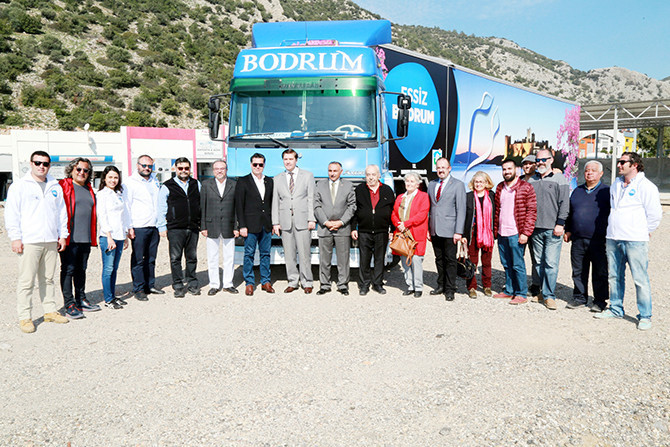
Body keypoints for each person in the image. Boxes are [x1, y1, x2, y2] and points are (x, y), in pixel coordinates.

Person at [595, 152, 662, 331]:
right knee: (614, 276)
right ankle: (616, 308)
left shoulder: (646, 186)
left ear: (635, 165)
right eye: (619, 162)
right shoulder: (616, 184)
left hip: (635, 240)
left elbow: (655, 214)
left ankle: (645, 315)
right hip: (613, 237)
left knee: (640, 278)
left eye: (623, 162)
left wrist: (644, 231)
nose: (619, 165)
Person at [5, 150, 70, 333]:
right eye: (38, 163)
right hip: (29, 240)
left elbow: (61, 213)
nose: (41, 166)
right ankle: (25, 317)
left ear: (49, 166)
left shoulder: (55, 186)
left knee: (48, 279)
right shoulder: (20, 186)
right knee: (27, 281)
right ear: (31, 163)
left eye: (45, 163)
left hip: (50, 239)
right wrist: (15, 238)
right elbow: (12, 213)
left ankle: (50, 311)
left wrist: (62, 235)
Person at [564, 161, 610, 312]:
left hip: (599, 240)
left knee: (600, 271)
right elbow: (570, 212)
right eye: (587, 170)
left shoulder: (606, 192)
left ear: (601, 174)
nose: (589, 173)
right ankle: (579, 297)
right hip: (578, 239)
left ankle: (600, 301)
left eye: (593, 170)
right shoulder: (577, 191)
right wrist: (568, 230)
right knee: (578, 270)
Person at [527, 149, 569, 310]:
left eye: (544, 159)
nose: (540, 162)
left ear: (551, 160)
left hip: (553, 229)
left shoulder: (560, 179)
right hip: (535, 229)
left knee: (551, 263)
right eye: (538, 160)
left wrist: (560, 223)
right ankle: (540, 292)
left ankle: (549, 296)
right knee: (538, 263)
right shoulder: (532, 180)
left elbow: (564, 203)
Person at [59, 157, 100, 319]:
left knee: (81, 270)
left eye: (85, 170)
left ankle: (81, 299)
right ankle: (69, 304)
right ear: (71, 170)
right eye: (79, 169)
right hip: (69, 238)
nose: (82, 172)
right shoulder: (63, 186)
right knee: (68, 270)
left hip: (85, 238)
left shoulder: (89, 189)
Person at [272, 148, 316, 294]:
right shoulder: (277, 178)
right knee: (289, 255)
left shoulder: (307, 176)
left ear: (296, 160)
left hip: (303, 220)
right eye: (285, 159)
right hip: (285, 221)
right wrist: (275, 222)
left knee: (304, 254)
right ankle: (293, 281)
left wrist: (311, 218)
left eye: (291, 159)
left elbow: (311, 198)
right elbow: (275, 202)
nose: (288, 162)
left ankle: (307, 282)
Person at [493, 159, 537, 304]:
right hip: (502, 232)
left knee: (518, 264)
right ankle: (509, 290)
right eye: (504, 169)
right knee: (506, 263)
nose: (506, 172)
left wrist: (525, 233)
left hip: (516, 232)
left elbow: (532, 211)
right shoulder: (500, 187)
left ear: (516, 170)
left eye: (509, 169)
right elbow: (497, 210)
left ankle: (521, 293)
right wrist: (495, 230)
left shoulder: (526, 187)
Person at [157, 157, 201, 298]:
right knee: (175, 258)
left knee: (192, 257)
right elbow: (161, 208)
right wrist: (161, 226)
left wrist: (201, 223)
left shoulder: (196, 184)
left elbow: (200, 204)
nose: (183, 171)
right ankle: (178, 285)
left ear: (190, 169)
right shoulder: (167, 186)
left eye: (186, 168)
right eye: (180, 168)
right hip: (175, 228)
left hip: (193, 227)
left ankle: (192, 283)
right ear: (175, 169)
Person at [351, 164, 395, 295]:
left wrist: (392, 230)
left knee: (379, 259)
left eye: (373, 174)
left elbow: (392, 211)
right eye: (368, 175)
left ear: (379, 176)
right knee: (364, 259)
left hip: (382, 231)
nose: (371, 177)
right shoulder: (360, 189)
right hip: (364, 230)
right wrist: (353, 228)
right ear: (365, 176)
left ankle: (377, 283)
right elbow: (355, 210)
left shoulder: (387, 190)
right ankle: (364, 284)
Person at [313, 161, 356, 295]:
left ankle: (342, 285)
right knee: (324, 259)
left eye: (335, 171)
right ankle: (325, 285)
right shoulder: (320, 185)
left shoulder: (348, 185)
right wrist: (326, 222)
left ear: (341, 172)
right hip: (324, 227)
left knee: (343, 259)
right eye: (330, 171)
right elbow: (316, 205)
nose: (332, 173)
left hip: (342, 227)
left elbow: (352, 206)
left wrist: (341, 222)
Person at [125, 154, 163, 301]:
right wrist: (129, 227)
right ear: (137, 165)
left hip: (154, 225)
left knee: (151, 258)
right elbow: (127, 206)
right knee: (138, 259)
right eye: (144, 165)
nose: (147, 168)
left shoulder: (154, 180)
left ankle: (149, 285)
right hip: (139, 226)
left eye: (150, 166)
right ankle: (139, 288)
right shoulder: (130, 182)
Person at [235, 153, 274, 296]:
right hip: (250, 226)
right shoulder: (243, 181)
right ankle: (249, 283)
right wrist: (242, 226)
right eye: (255, 164)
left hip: (266, 225)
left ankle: (265, 281)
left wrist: (273, 223)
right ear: (251, 165)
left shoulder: (269, 181)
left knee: (265, 254)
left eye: (260, 164)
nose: (258, 167)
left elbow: (271, 204)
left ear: (264, 165)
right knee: (249, 254)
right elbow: (239, 205)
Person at [428, 157, 466, 301]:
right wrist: (428, 229)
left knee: (450, 260)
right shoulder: (432, 184)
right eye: (438, 167)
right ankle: (441, 285)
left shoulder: (458, 185)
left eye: (443, 167)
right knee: (439, 259)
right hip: (435, 228)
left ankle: (450, 289)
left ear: (449, 168)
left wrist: (458, 231)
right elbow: (430, 208)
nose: (441, 170)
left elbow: (461, 209)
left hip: (451, 230)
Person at [201, 159, 238, 296]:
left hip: (229, 225)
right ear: (213, 170)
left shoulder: (234, 184)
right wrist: (203, 226)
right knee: (212, 257)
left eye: (222, 168)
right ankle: (214, 285)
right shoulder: (206, 184)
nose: (219, 171)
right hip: (211, 226)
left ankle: (228, 284)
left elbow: (237, 208)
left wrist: (237, 226)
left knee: (229, 257)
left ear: (226, 170)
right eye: (217, 169)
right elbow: (202, 206)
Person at [96, 165, 131, 310]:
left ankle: (113, 295)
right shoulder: (102, 194)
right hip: (108, 237)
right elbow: (102, 216)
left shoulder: (119, 194)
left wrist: (125, 235)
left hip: (119, 235)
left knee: (115, 268)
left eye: (116, 177)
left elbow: (123, 215)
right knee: (108, 268)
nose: (113, 180)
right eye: (110, 177)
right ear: (104, 178)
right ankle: (108, 299)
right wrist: (109, 236)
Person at [391, 172, 430, 297]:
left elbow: (422, 214)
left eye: (412, 181)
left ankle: (418, 287)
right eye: (407, 181)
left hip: (415, 233)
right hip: (402, 233)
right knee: (405, 261)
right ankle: (410, 285)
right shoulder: (400, 197)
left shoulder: (423, 196)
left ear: (418, 184)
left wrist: (406, 223)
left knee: (416, 261)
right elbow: (394, 213)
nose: (409, 183)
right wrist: (398, 224)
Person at [462, 171, 496, 298]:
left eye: (481, 182)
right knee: (472, 262)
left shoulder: (492, 196)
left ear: (486, 183)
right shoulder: (468, 196)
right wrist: (463, 235)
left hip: (487, 234)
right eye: (476, 182)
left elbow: (496, 214)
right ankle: (471, 286)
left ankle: (487, 286)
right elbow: (464, 216)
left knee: (487, 262)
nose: (478, 184)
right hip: (472, 234)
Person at [520, 154, 541, 298]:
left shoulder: (541, 179)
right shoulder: (519, 180)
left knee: (536, 258)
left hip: (536, 224)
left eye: (531, 163)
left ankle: (536, 285)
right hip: (520, 225)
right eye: (525, 164)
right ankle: (517, 282)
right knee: (517, 256)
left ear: (536, 165)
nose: (527, 166)